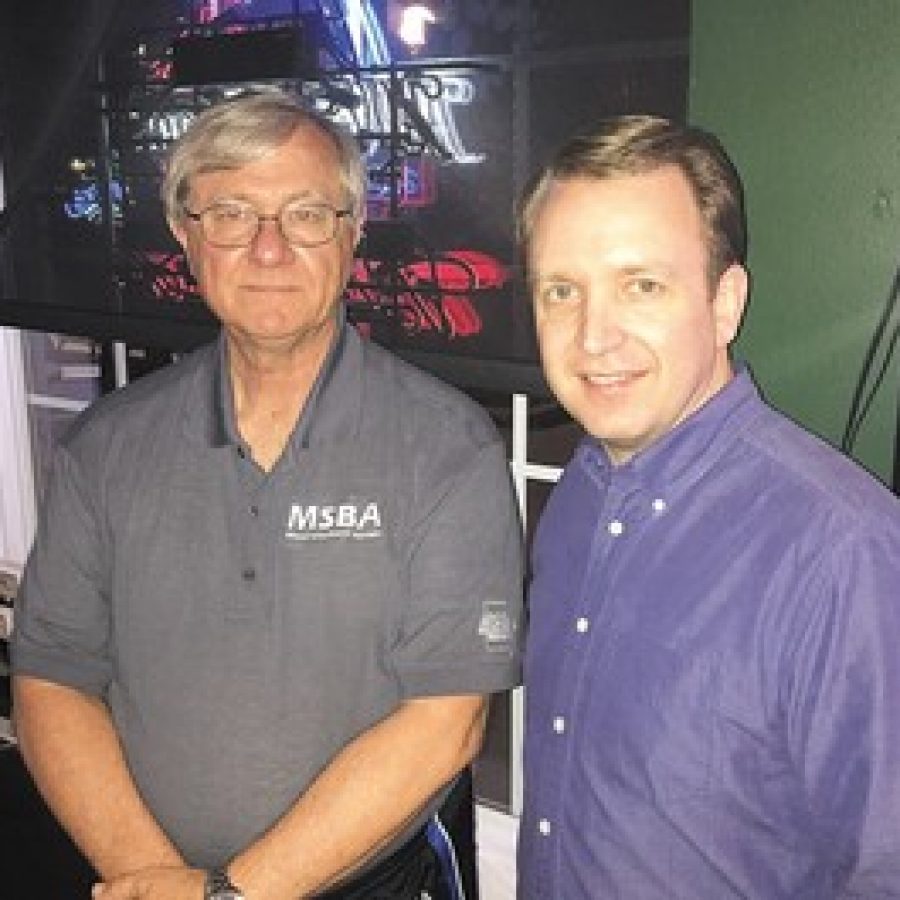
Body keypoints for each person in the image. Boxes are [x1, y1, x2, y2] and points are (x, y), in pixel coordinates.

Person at [11, 89, 523, 900]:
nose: (270, 249)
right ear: (186, 238)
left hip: (375, 883)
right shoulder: (104, 447)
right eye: (232, 214)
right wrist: (154, 880)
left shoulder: (447, 447)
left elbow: (446, 722)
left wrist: (235, 893)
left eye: (307, 214)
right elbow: (51, 676)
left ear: (352, 236)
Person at [515, 114, 900, 898]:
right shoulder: (579, 497)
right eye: (562, 291)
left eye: (642, 286)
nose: (593, 337)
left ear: (726, 303)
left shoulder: (845, 554)